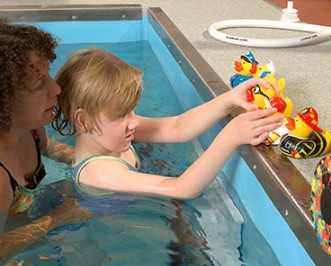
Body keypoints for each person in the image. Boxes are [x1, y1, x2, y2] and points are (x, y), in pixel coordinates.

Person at [53, 47, 284, 199]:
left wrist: (228, 100)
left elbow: (177, 128)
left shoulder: (107, 133)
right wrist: (230, 136)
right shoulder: (98, 172)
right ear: (83, 120)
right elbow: (181, 188)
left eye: (132, 111)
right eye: (122, 114)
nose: (134, 122)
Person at [0, 20, 91, 266]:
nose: (56, 88)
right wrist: (56, 218)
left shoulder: (29, 128)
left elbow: (48, 148)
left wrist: (93, 159)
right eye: (38, 84)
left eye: (48, 75)